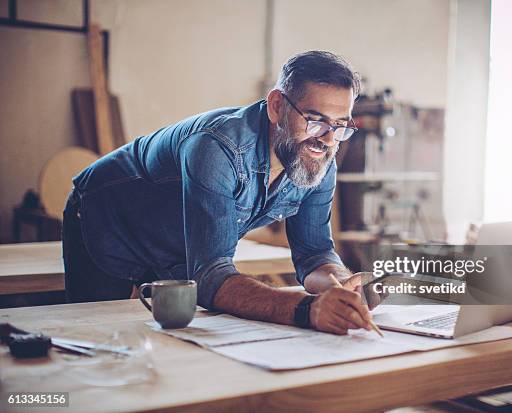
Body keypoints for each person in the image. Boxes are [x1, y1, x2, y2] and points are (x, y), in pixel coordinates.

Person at [63, 50, 374, 335]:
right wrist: (306, 310)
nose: (328, 139)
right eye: (315, 121)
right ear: (277, 106)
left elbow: (315, 254)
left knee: (169, 351)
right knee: (97, 340)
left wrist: (337, 284)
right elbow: (211, 276)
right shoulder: (217, 147)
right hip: (108, 221)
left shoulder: (318, 160)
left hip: (177, 250)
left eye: (340, 126)